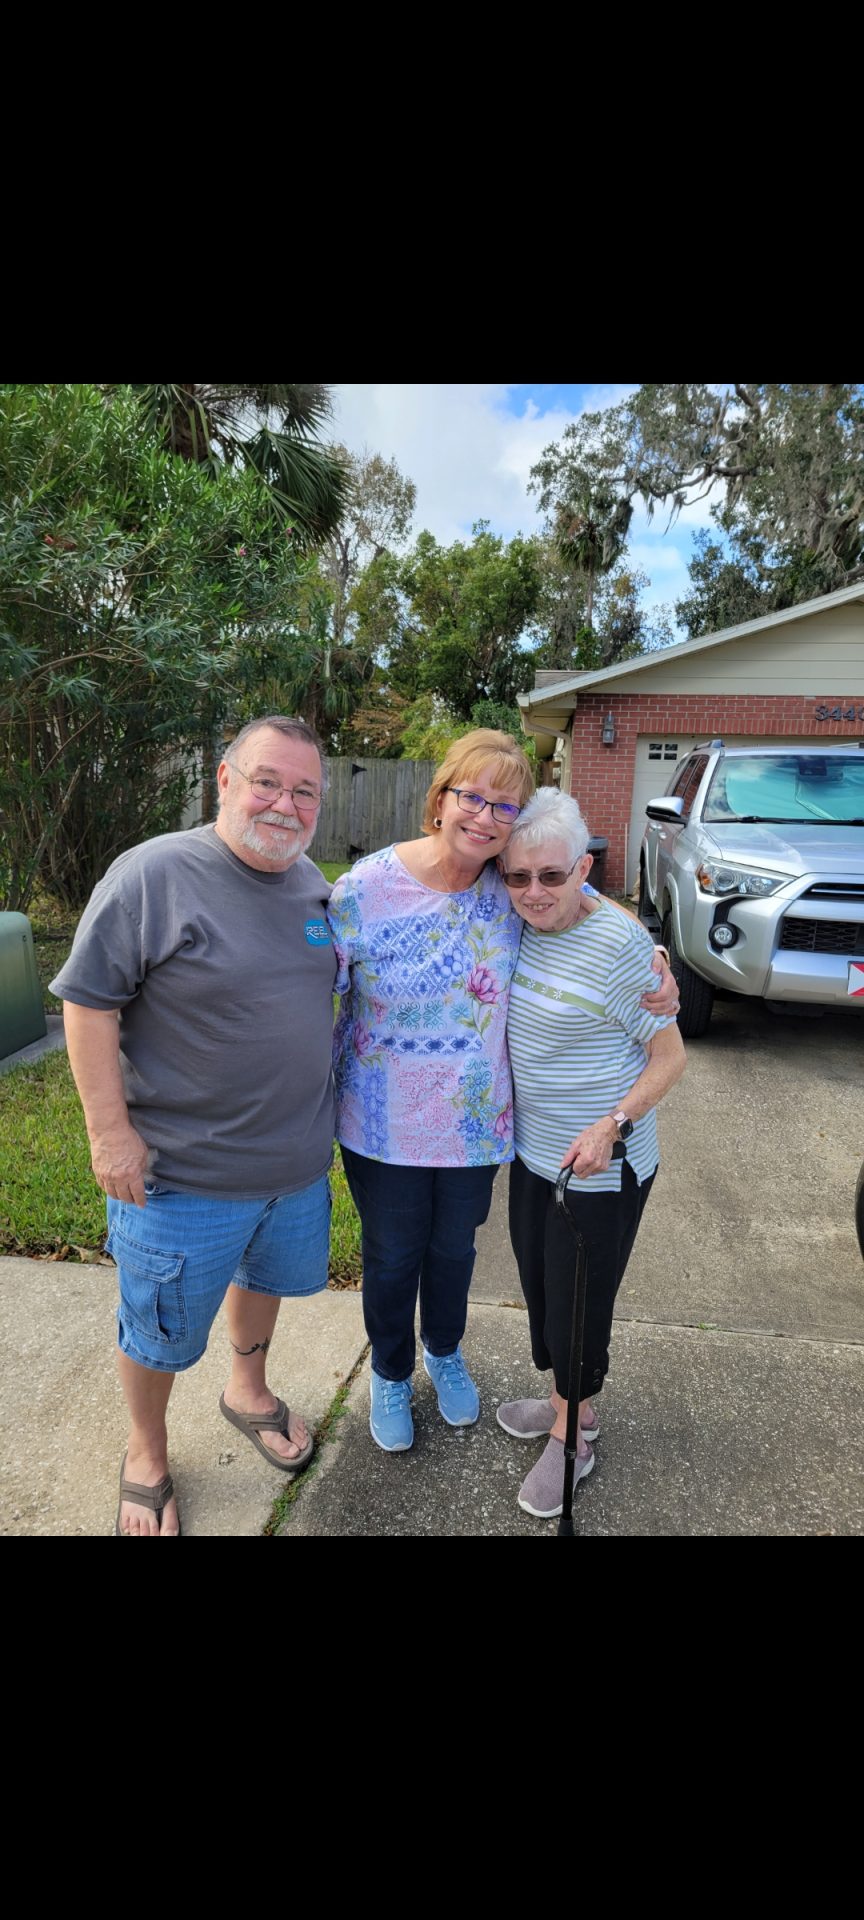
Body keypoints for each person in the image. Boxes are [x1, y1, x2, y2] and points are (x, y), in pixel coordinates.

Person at [327, 729, 679, 1456]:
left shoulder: (508, 888)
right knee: (393, 1254)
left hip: (475, 1127)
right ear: (441, 799)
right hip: (381, 1123)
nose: (485, 817)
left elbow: (581, 901)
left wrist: (651, 955)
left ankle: (444, 1352)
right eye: (473, 797)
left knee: (455, 1251)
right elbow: (306, 968)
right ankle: (391, 1371)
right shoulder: (364, 886)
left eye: (504, 806)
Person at [51, 716, 337, 1536]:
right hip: (183, 1178)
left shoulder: (312, 883)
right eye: (268, 782)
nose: (285, 803)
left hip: (293, 1170)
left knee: (265, 1287)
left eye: (305, 790)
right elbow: (87, 1003)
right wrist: (109, 1133)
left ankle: (246, 1391)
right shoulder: (152, 876)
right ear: (224, 780)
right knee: (158, 1328)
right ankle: (145, 1450)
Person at [497, 786, 686, 1519]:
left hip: (600, 1170)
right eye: (518, 877)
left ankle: (573, 1435)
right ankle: (563, 1404)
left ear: (585, 869)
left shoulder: (621, 946)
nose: (534, 892)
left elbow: (670, 1060)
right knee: (543, 1291)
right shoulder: (518, 926)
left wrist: (612, 1123)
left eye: (552, 875)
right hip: (533, 1157)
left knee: (579, 1308)